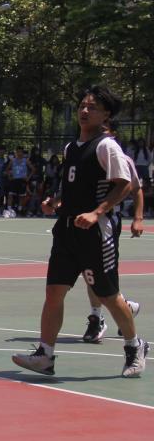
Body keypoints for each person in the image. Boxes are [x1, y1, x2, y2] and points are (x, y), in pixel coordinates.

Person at [12, 85, 147, 378]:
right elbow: (73, 186)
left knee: (108, 295)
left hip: (95, 232)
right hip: (66, 230)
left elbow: (125, 184)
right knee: (53, 292)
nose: (84, 111)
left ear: (106, 114)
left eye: (92, 107)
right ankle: (45, 355)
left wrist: (97, 212)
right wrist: (55, 201)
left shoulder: (107, 146)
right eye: (82, 106)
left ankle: (134, 346)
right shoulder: (71, 148)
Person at [80, 119, 142, 342]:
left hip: (105, 222)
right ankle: (120, 309)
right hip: (82, 220)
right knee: (88, 274)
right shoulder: (85, 154)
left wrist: (137, 218)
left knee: (101, 274)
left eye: (104, 129)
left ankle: (98, 318)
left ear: (112, 133)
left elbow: (135, 188)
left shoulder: (121, 158)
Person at [5, 147, 33, 216]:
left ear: (23, 153)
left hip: (22, 180)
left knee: (21, 197)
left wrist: (28, 178)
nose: (19, 153)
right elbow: (7, 169)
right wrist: (9, 176)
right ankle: (9, 210)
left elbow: (33, 169)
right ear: (16, 153)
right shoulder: (12, 160)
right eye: (18, 152)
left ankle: (19, 210)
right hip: (14, 180)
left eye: (21, 152)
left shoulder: (26, 160)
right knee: (10, 195)